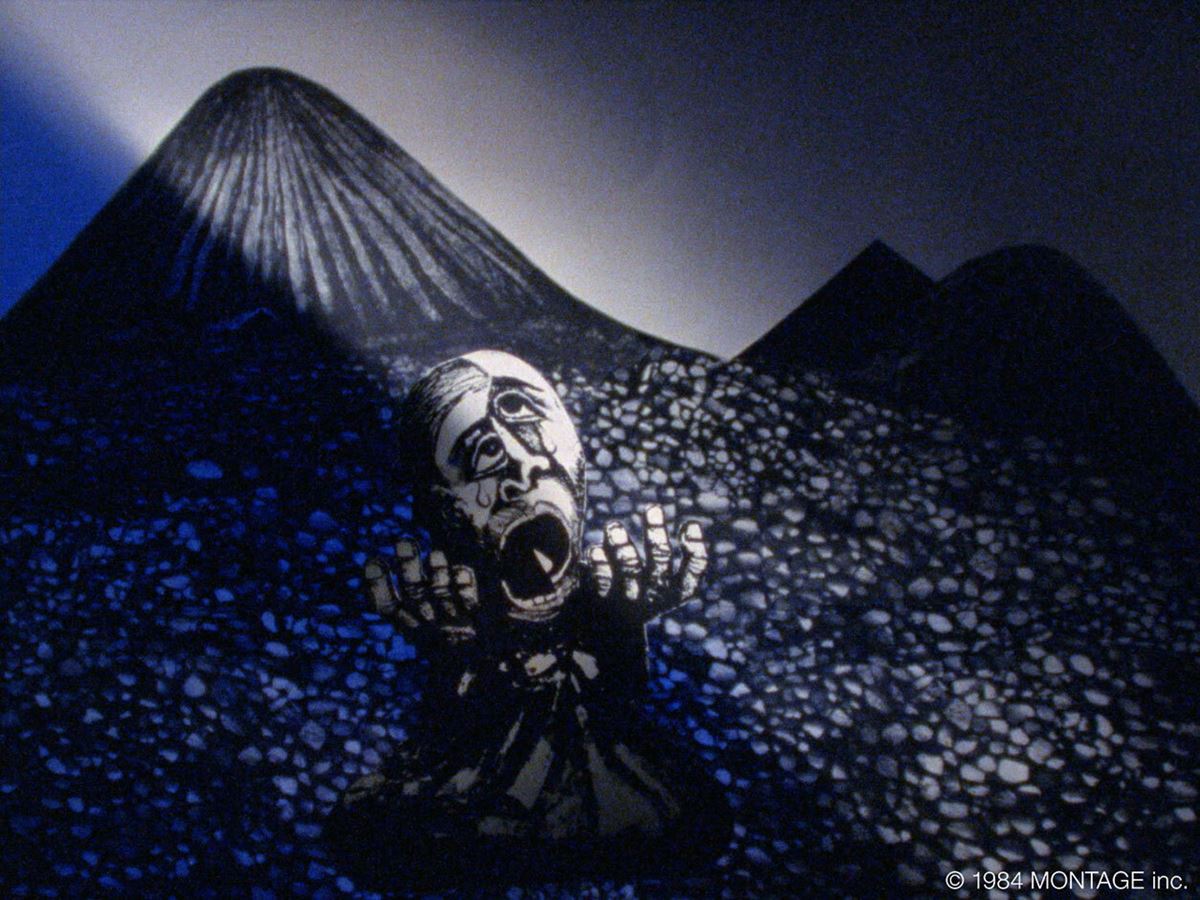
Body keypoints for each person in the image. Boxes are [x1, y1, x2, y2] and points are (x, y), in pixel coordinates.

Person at [330, 351, 729, 888]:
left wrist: (622, 624)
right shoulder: (464, 618)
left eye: (526, 420)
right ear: (441, 509)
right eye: (479, 456)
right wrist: (460, 657)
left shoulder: (601, 600)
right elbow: (451, 722)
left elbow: (620, 696)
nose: (522, 468)